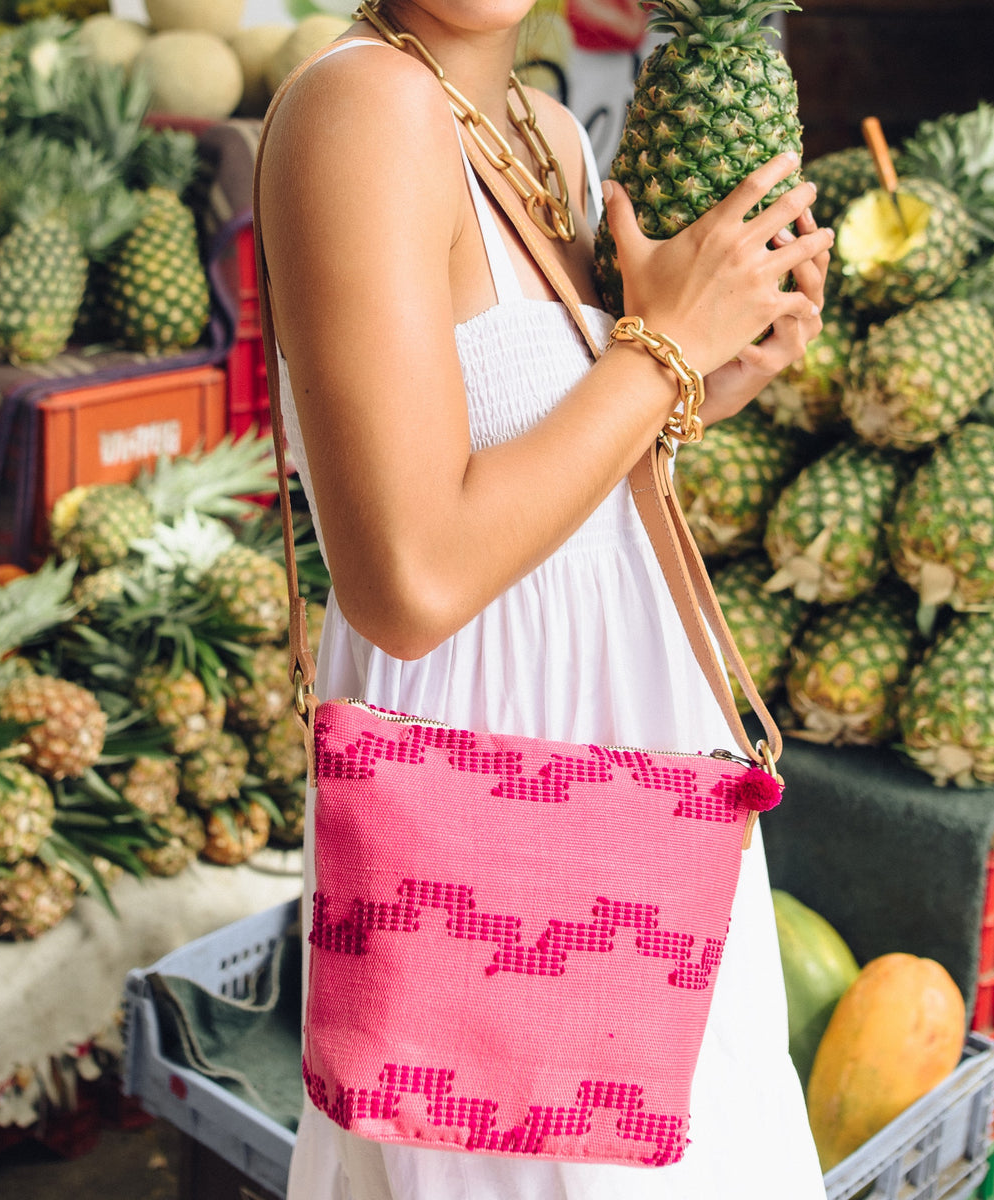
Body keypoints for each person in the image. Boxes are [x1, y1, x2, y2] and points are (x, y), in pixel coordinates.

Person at [258, 2, 833, 1196]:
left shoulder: (548, 133)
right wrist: (662, 350)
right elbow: (411, 581)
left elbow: (567, 487)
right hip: (494, 824)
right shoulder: (363, 105)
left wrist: (709, 373)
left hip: (634, 788)